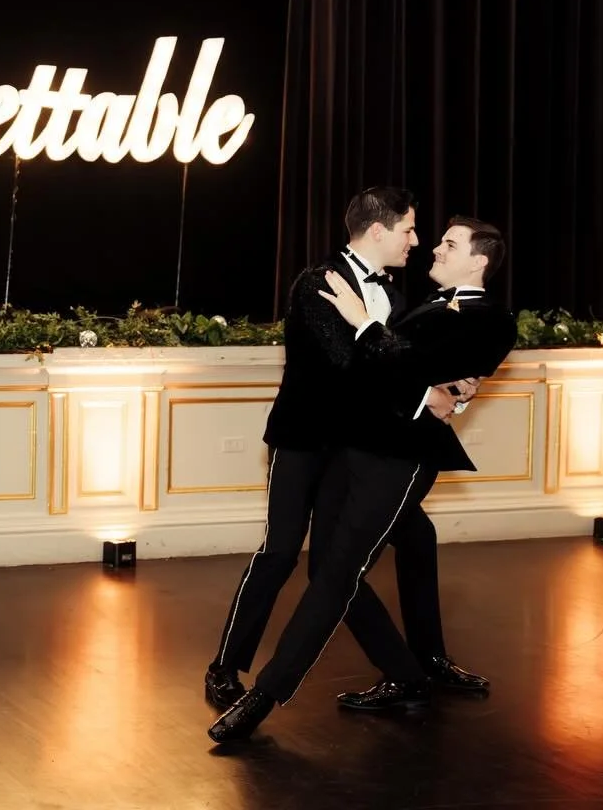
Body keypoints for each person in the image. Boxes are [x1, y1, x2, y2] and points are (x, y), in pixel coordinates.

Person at [208, 215, 517, 742]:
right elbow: (389, 371)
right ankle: (408, 673)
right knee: (326, 567)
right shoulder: (424, 302)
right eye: (430, 238)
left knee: (337, 575)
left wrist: (363, 322)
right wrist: (430, 384)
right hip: (351, 449)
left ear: (480, 260)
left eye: (448, 243)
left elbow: (403, 363)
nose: (432, 249)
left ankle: (263, 696)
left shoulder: (493, 318)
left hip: (401, 457)